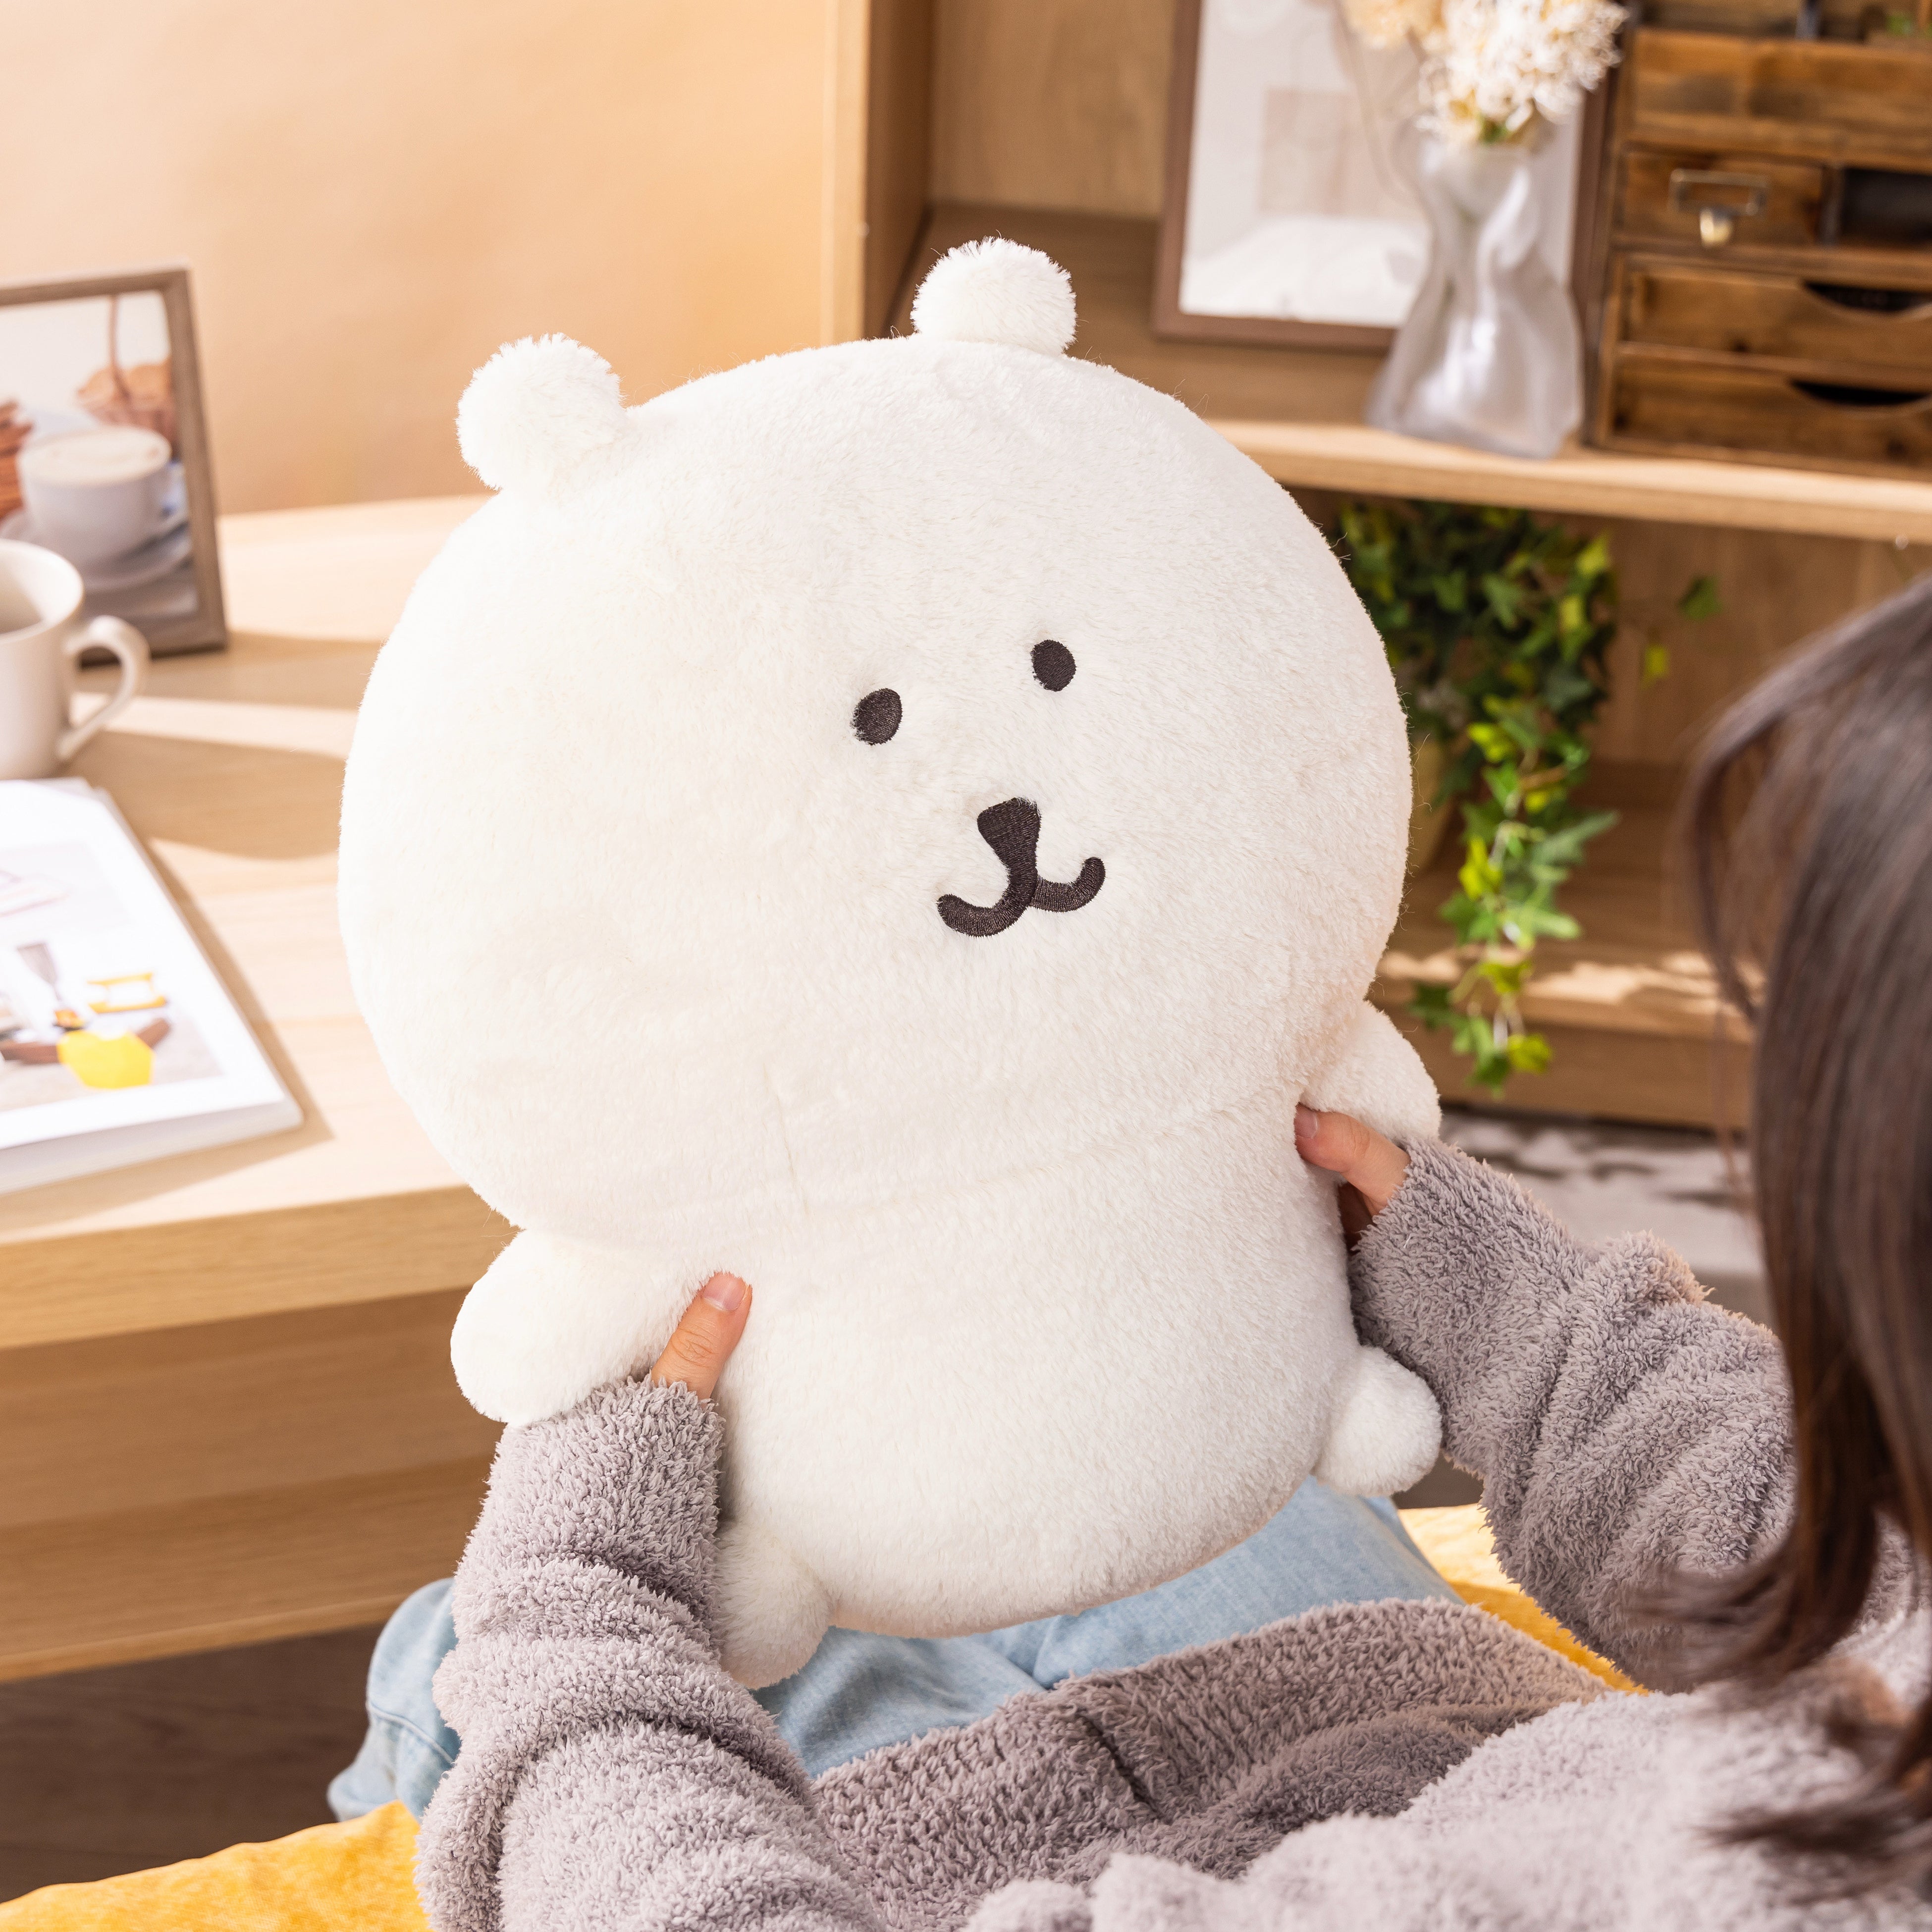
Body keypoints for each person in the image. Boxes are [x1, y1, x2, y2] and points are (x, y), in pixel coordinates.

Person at [413, 570, 1932, 1930]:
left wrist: (581, 1605)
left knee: (475, 1650)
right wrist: (1504, 1307)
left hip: (959, 1868)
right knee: (1164, 1471)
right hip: (1406, 1729)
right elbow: (1829, 1540)